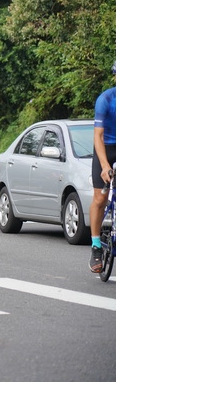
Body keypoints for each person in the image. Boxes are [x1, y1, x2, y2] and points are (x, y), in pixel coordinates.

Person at [89, 60, 117, 273]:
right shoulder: (106, 99)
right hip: (105, 147)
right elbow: (97, 137)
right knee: (100, 197)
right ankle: (96, 245)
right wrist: (105, 165)